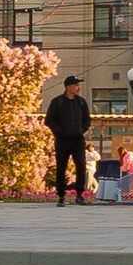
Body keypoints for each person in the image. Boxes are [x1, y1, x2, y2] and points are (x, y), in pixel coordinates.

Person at [47, 75, 93, 204]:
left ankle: (79, 194)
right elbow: (49, 120)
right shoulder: (58, 102)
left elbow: (87, 120)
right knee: (61, 168)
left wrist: (80, 130)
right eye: (76, 85)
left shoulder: (81, 102)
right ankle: (61, 195)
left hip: (78, 140)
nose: (78, 88)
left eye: (79, 85)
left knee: (81, 166)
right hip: (62, 141)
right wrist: (60, 132)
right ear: (68, 87)